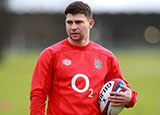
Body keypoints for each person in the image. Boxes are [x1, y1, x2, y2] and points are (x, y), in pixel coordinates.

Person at [30, 1, 138, 115]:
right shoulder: (50, 54)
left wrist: (130, 98)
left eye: (78, 22)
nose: (73, 27)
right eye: (69, 22)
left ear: (90, 23)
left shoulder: (106, 57)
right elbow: (38, 95)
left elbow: (122, 88)